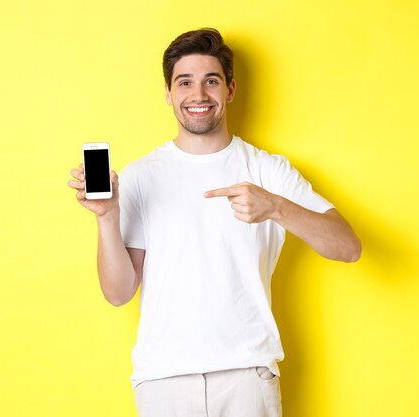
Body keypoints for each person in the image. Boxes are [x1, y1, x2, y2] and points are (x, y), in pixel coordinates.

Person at [68, 28, 361, 417]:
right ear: (169, 94)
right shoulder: (140, 177)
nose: (199, 95)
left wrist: (276, 207)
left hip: (247, 376)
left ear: (230, 90)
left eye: (211, 81)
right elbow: (119, 293)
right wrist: (107, 217)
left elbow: (348, 247)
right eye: (184, 82)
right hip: (163, 380)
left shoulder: (267, 170)